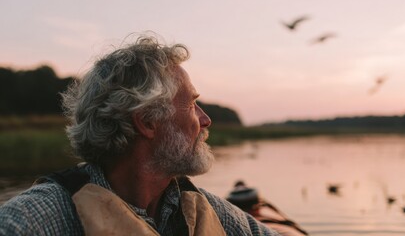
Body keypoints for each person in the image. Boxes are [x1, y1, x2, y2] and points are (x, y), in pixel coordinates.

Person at [0, 35, 280, 235]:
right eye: (192, 105)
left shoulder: (200, 207)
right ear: (147, 121)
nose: (205, 120)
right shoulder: (37, 218)